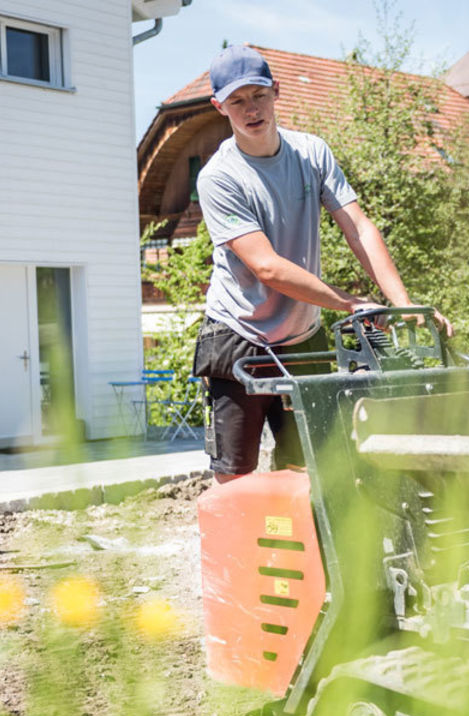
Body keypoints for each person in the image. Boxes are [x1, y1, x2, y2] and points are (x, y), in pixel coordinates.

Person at [191, 44, 450, 483]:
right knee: (236, 478)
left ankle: (306, 551)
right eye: (237, 100)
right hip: (239, 335)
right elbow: (267, 268)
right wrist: (352, 305)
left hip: (302, 336)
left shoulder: (311, 152)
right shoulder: (219, 177)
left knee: (313, 469)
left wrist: (402, 306)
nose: (250, 109)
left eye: (258, 95)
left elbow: (359, 229)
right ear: (220, 106)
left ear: (277, 92)